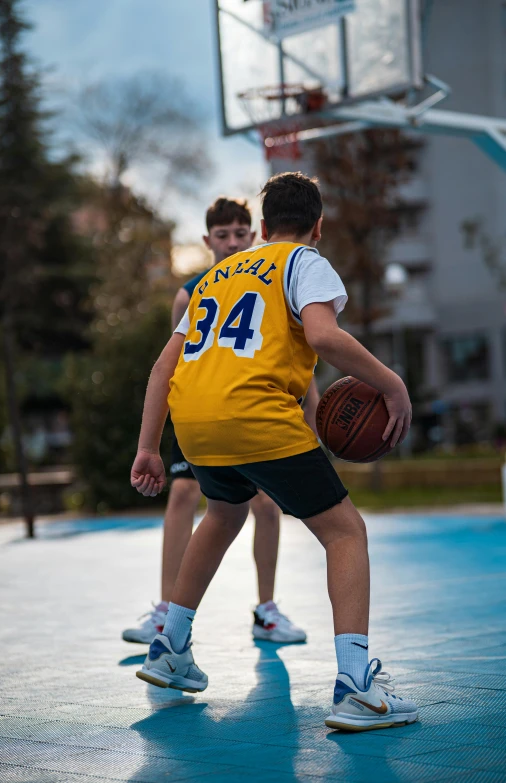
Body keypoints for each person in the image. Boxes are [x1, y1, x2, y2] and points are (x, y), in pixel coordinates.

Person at [130, 173, 418, 732]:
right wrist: (393, 385)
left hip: (197, 424)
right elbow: (325, 336)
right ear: (317, 226)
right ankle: (357, 687)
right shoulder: (302, 261)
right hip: (256, 416)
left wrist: (148, 447)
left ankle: (169, 647)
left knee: (222, 514)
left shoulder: (216, 276)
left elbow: (165, 365)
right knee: (345, 532)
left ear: (260, 228)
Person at [123, 197, 315, 646]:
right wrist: (155, 437)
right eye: (223, 235)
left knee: (266, 504)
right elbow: (174, 363)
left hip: (254, 411)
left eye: (240, 233)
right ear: (208, 241)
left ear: (255, 235)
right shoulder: (191, 292)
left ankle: (266, 610)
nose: (232, 242)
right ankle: (167, 610)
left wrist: (312, 413)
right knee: (184, 493)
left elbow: (292, 355)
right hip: (200, 410)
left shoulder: (268, 280)